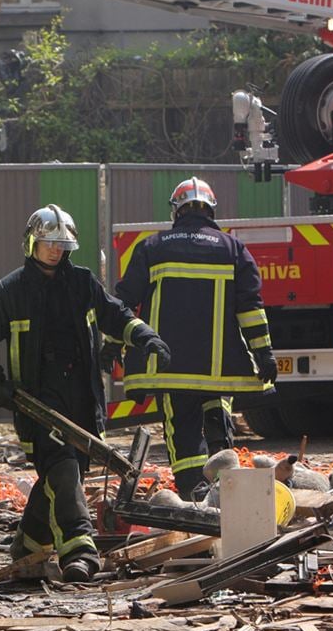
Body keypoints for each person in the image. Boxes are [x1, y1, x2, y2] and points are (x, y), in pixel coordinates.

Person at [0, 204, 170, 583]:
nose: (55, 251)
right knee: (61, 468)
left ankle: (28, 545)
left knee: (62, 477)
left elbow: (115, 314)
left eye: (62, 245)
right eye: (48, 243)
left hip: (82, 402)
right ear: (32, 243)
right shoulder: (8, 292)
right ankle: (80, 552)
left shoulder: (82, 283)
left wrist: (144, 334)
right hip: (36, 406)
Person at [114, 177, 277, 500]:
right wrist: (263, 354)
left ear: (176, 211)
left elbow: (123, 303)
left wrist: (110, 345)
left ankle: (193, 494)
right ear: (211, 211)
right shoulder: (233, 249)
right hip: (219, 371)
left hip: (170, 369)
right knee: (218, 418)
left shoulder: (153, 246)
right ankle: (223, 493)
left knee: (183, 431)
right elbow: (250, 309)